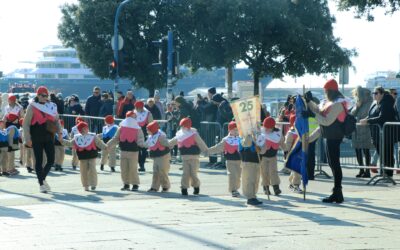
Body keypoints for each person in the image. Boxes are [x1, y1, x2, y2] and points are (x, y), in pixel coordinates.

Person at [305, 79, 346, 203]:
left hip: (335, 136)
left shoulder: (338, 104)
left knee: (335, 164)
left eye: (326, 91)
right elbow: (319, 112)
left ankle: (337, 192)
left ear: (330, 91)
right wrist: (309, 102)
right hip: (330, 135)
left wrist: (312, 115)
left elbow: (326, 121)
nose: (324, 93)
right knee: (333, 163)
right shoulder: (331, 102)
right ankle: (337, 192)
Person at [23, 86, 62, 193]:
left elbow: (57, 121)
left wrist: (60, 132)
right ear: (38, 95)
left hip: (49, 135)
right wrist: (27, 139)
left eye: (46, 95)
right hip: (36, 136)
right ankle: (41, 184)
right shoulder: (32, 106)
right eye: (43, 95)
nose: (45, 97)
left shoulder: (52, 106)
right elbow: (26, 124)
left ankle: (42, 178)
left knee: (51, 160)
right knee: (39, 161)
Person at [360, 86, 397, 178]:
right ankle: (383, 172)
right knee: (382, 154)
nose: (374, 95)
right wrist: (366, 119)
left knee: (387, 154)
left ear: (382, 94)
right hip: (377, 134)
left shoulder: (386, 102)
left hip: (386, 134)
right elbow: (372, 114)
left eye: (376, 93)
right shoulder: (375, 103)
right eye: (373, 93)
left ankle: (388, 174)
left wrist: (368, 121)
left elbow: (383, 117)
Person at [62, 122, 107, 191]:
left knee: (92, 170)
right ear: (80, 130)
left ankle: (93, 184)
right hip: (82, 157)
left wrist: (105, 147)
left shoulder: (93, 136)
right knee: (83, 171)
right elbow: (70, 143)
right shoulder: (77, 137)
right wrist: (61, 140)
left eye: (86, 128)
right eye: (84, 128)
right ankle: (86, 185)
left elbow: (99, 143)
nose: (86, 129)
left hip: (92, 155)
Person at [168, 117, 208, 196]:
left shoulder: (194, 134)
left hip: (194, 157)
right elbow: (172, 142)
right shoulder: (180, 134)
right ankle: (184, 188)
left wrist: (206, 150)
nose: (182, 127)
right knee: (185, 174)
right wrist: (166, 144)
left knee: (193, 173)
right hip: (185, 158)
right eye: (182, 126)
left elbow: (200, 143)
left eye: (184, 125)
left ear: (188, 126)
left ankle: (196, 186)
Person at [107, 111, 145, 191]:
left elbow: (140, 138)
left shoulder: (138, 129)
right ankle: (126, 183)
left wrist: (142, 144)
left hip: (133, 151)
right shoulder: (121, 128)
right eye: (133, 117)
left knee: (133, 168)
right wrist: (108, 145)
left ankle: (135, 184)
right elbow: (116, 138)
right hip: (123, 150)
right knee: (123, 168)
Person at [207, 121, 242, 197]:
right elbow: (217, 148)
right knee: (232, 175)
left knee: (238, 176)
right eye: (234, 130)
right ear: (229, 130)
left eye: (237, 130)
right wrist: (208, 151)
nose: (236, 131)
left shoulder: (241, 139)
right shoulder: (226, 140)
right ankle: (233, 190)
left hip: (240, 161)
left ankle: (236, 188)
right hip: (230, 161)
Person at [256, 117, 285, 196]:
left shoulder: (277, 133)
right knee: (264, 172)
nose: (266, 130)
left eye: (268, 128)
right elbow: (257, 143)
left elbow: (282, 143)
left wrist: (285, 149)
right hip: (264, 156)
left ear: (272, 128)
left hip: (273, 156)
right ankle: (266, 188)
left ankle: (276, 187)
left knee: (274, 171)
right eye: (265, 127)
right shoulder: (261, 132)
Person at [351, 87, 373, 178]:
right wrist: (357, 106)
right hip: (357, 130)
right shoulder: (359, 103)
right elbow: (352, 113)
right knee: (358, 150)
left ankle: (367, 171)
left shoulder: (370, 103)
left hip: (366, 130)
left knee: (366, 150)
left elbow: (368, 115)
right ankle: (361, 169)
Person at [145, 121, 171, 192]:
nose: (147, 131)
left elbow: (167, 144)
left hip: (163, 156)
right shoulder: (151, 136)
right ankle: (154, 187)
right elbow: (146, 144)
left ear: (152, 129)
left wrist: (173, 143)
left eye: (148, 130)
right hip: (156, 156)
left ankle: (165, 186)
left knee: (162, 171)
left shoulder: (160, 136)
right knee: (155, 172)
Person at [135, 100, 153, 172]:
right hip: (136, 132)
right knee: (137, 149)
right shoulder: (134, 113)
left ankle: (142, 164)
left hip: (145, 132)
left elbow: (151, 123)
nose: (136, 109)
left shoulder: (148, 113)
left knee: (144, 149)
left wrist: (150, 133)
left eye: (137, 107)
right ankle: (140, 164)